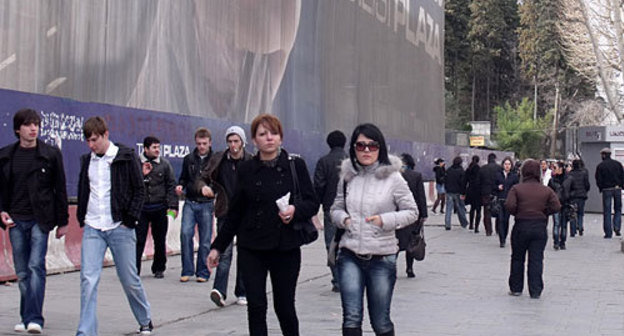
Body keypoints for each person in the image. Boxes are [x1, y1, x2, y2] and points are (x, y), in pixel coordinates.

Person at [207, 114, 319, 336]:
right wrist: (218, 247)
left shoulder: (295, 165)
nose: (269, 138)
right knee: (256, 307)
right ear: (254, 140)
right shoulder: (246, 170)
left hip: (285, 247)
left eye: (273, 133)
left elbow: (312, 202)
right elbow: (236, 212)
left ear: (281, 137)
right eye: (262, 134)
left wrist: (295, 211)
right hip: (252, 247)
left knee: (285, 306)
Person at [330, 123, 418, 336]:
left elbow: (411, 211)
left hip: (382, 256)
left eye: (372, 145)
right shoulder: (347, 176)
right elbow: (335, 208)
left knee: (381, 322)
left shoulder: (394, 178)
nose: (366, 150)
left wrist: (384, 220)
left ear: (381, 148)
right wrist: (345, 220)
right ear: (353, 148)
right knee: (351, 318)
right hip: (350, 253)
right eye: (360, 146)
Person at [76, 116, 153, 335]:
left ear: (105, 134)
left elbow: (139, 190)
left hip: (119, 226)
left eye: (94, 140)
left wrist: (130, 220)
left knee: (129, 279)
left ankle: (145, 319)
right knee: (88, 280)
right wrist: (82, 216)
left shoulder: (126, 157)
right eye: (88, 141)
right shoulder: (87, 160)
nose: (91, 145)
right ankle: (86, 331)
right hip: (93, 226)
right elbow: (84, 190)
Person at [0, 108, 69, 334]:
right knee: (21, 272)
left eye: (36, 124)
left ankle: (35, 318)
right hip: (16, 221)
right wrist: (1, 211)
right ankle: (26, 315)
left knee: (35, 266)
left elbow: (60, 188)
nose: (33, 129)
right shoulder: (6, 155)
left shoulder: (50, 154)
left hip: (41, 219)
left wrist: (63, 221)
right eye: (29, 125)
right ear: (18, 129)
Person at [198, 126, 252, 307]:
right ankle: (219, 291)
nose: (233, 145)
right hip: (225, 212)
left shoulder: (251, 161)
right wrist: (203, 187)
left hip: (246, 214)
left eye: (236, 141)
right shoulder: (219, 159)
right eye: (230, 141)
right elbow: (203, 177)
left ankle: (243, 292)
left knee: (244, 252)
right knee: (224, 252)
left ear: (243, 142)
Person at [505, 159, 560, 299]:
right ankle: (535, 290)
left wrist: (519, 212)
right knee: (536, 259)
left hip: (521, 225)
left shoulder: (517, 188)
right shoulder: (546, 190)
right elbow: (556, 206)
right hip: (539, 227)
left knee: (517, 258)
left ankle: (516, 288)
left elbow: (509, 205)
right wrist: (543, 212)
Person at [136, 136, 178, 278]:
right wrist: (142, 174)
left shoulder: (165, 165)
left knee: (160, 239)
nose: (157, 150)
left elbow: (171, 185)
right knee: (138, 240)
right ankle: (134, 269)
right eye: (154, 148)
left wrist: (173, 205)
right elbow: (131, 183)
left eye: (158, 147)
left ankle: (159, 268)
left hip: (159, 207)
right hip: (141, 208)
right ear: (146, 149)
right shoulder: (136, 163)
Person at [176, 127, 215, 282]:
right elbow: (183, 178)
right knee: (185, 234)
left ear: (210, 143)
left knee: (205, 239)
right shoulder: (189, 159)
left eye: (204, 143)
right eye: (199, 143)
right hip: (190, 202)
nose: (201, 147)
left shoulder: (216, 160)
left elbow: (220, 181)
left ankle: (203, 272)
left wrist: (212, 190)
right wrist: (180, 186)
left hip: (206, 203)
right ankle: (187, 270)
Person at [313, 130, 348, 292]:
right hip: (352, 210)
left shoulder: (324, 162)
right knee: (350, 244)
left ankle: (337, 279)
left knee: (332, 243)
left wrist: (315, 207)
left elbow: (318, 186)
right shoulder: (352, 161)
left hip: (330, 208)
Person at [396, 153, 428, 278]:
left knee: (396, 242)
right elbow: (421, 196)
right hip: (412, 215)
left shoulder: (394, 176)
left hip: (397, 214)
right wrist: (423, 214)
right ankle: (409, 268)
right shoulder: (416, 176)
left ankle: (392, 267)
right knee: (411, 241)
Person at [594, 147, 624, 238]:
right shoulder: (618, 164)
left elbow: (598, 178)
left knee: (607, 211)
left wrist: (601, 187)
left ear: (603, 155)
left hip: (606, 189)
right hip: (617, 188)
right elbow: (623, 176)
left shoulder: (600, 166)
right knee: (618, 209)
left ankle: (608, 232)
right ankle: (617, 227)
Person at [494, 157, 519, 248]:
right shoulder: (498, 175)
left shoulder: (514, 176)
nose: (507, 166)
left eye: (509, 164)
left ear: (511, 165)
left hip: (509, 201)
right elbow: (493, 186)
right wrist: (497, 187)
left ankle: (504, 235)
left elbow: (517, 188)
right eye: (505, 164)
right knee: (500, 220)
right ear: (503, 165)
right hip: (500, 200)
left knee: (506, 220)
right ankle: (502, 240)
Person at [478, 153, 501, 236]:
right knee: (498, 210)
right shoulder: (499, 168)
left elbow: (479, 182)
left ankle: (488, 230)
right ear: (495, 159)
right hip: (497, 192)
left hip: (485, 193)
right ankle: (498, 229)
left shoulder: (482, 169)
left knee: (486, 211)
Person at [548, 162, 569, 250]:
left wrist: (568, 196)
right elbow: (549, 191)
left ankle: (562, 242)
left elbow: (574, 189)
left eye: (555, 167)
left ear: (561, 169)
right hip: (555, 204)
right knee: (557, 223)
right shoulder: (552, 180)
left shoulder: (568, 179)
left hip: (565, 204)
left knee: (563, 224)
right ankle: (556, 241)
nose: (553, 169)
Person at [444, 156, 468, 230]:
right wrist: (463, 192)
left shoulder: (448, 170)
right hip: (458, 192)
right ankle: (464, 223)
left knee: (448, 208)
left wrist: (447, 189)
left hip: (449, 191)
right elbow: (463, 183)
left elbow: (445, 180)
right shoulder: (461, 171)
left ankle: (447, 224)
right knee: (460, 207)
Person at [567, 159, 590, 236]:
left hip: (573, 196)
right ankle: (580, 227)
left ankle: (573, 231)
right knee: (580, 212)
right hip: (581, 195)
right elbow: (587, 185)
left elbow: (568, 186)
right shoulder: (583, 173)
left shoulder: (570, 174)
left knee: (572, 213)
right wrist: (585, 191)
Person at [465, 155, 482, 232]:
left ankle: (471, 224)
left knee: (472, 208)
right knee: (478, 209)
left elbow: (465, 180)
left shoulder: (469, 169)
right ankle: (476, 227)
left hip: (470, 189)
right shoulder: (479, 169)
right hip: (478, 190)